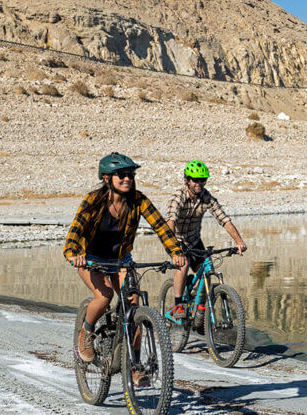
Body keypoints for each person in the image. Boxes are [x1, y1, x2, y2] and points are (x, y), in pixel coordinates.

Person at [63, 152, 186, 380]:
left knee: (133, 307)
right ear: (107, 178)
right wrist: (74, 254)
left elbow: (160, 227)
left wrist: (176, 252)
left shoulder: (138, 200)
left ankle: (134, 366)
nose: (127, 178)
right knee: (105, 296)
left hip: (121, 260)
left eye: (130, 174)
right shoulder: (94, 200)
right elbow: (75, 231)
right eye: (121, 175)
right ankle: (86, 332)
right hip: (90, 258)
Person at [166, 160, 248, 319]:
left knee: (207, 272)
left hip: (195, 241)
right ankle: (178, 305)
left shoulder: (206, 196)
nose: (199, 183)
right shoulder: (178, 196)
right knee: (183, 265)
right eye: (196, 180)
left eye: (203, 180)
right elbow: (170, 221)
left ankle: (200, 309)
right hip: (176, 240)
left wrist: (239, 242)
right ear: (187, 180)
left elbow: (223, 219)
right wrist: (174, 249)